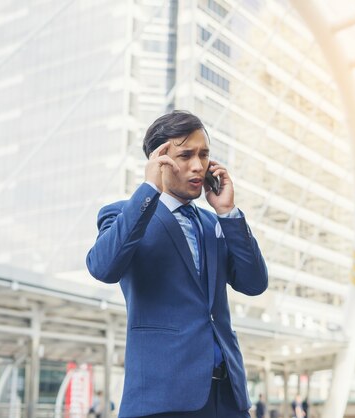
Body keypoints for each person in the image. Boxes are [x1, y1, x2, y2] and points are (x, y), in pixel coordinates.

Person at [86, 110, 269, 417]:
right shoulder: (123, 214)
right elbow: (103, 267)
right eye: (185, 155)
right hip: (162, 399)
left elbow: (254, 283)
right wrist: (148, 191)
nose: (198, 166)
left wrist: (228, 214)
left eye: (204, 154)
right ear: (159, 160)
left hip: (226, 399)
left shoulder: (215, 223)